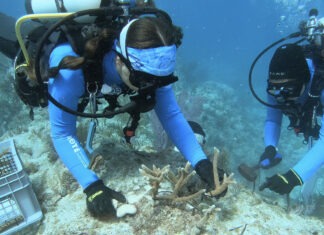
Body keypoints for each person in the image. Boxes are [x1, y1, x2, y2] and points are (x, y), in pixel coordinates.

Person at [3, 3, 228, 218]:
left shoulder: (152, 70)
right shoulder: (71, 71)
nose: (151, 86)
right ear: (119, 60)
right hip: (33, 51)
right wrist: (91, 184)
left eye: (161, 79)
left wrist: (202, 163)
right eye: (143, 79)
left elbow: (171, 116)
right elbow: (63, 133)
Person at [257, 43, 324, 195]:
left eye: (288, 89)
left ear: (305, 81)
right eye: (275, 88)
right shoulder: (277, 88)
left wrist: (294, 177)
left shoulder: (321, 84)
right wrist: (270, 147)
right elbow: (273, 120)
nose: (281, 96)